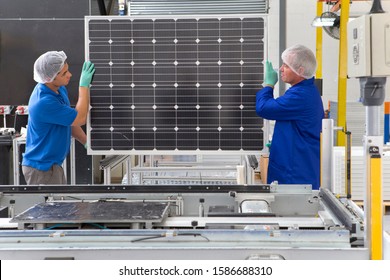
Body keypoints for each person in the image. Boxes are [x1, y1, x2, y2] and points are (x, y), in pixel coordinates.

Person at [255, 44, 324, 190]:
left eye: (285, 66)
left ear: (300, 71)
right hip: (295, 169)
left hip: (295, 175)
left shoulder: (300, 95)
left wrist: (268, 85)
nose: (280, 69)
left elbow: (264, 108)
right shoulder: (303, 91)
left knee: (291, 211)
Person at [22, 51, 95, 184]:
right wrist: (83, 86)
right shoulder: (44, 102)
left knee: (60, 204)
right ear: (50, 78)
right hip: (41, 169)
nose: (70, 75)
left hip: (52, 165)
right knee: (51, 205)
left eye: (67, 70)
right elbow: (80, 118)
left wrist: (85, 141)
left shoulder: (58, 89)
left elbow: (68, 121)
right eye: (64, 73)